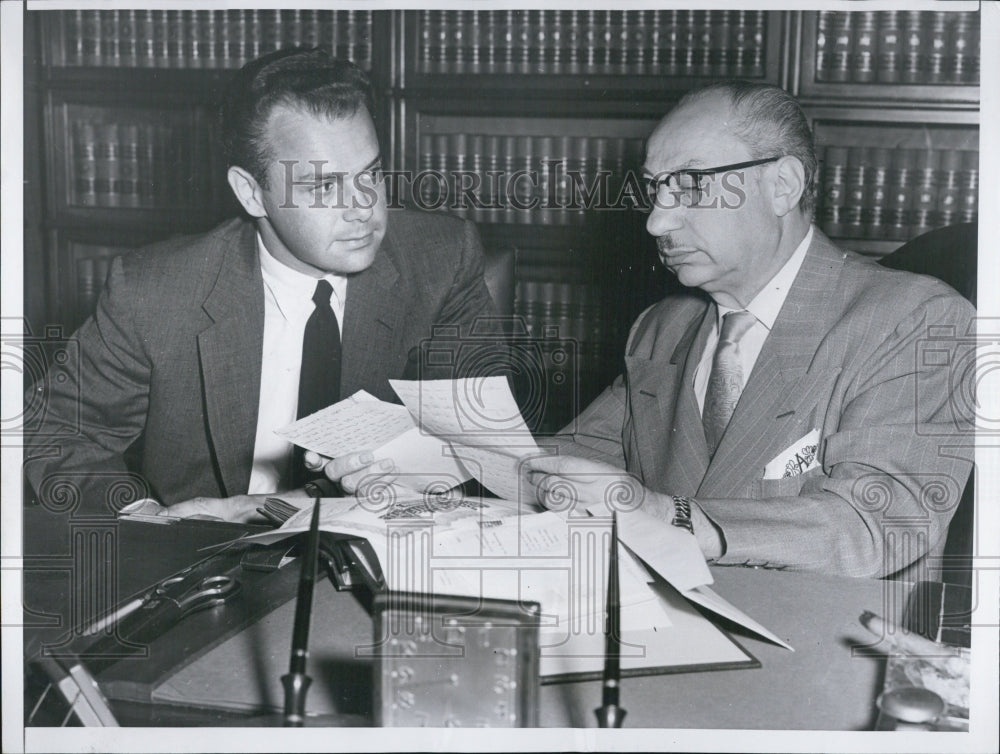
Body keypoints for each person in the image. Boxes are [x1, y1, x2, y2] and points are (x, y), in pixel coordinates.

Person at [523, 81, 975, 580]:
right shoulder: (662, 326)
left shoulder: (915, 319)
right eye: (655, 188)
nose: (656, 222)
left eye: (691, 184)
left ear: (783, 185)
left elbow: (879, 524)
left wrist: (671, 518)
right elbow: (569, 462)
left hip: (825, 641)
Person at [23, 47, 497, 522]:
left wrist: (411, 478)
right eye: (324, 187)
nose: (364, 208)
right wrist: (152, 521)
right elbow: (51, 431)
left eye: (370, 173)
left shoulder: (441, 259)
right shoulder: (154, 292)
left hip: (378, 540)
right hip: (213, 560)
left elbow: (481, 441)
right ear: (252, 193)